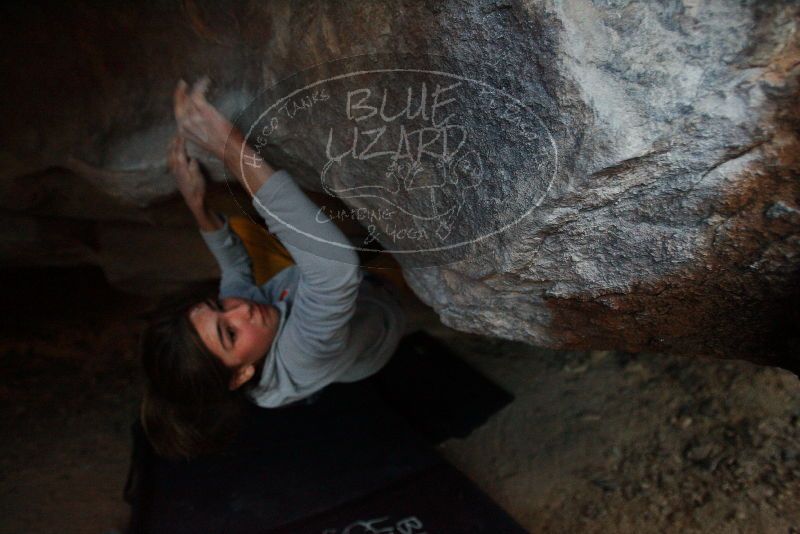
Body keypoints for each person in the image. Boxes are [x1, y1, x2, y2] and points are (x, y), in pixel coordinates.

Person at [139, 79, 407, 459]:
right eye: (229, 333)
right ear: (241, 375)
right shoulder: (299, 360)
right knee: (322, 248)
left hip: (321, 296)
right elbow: (335, 271)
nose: (239, 309)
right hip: (380, 304)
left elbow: (235, 268)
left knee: (246, 229)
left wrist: (196, 203)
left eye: (216, 305)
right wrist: (231, 147)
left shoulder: (244, 323)